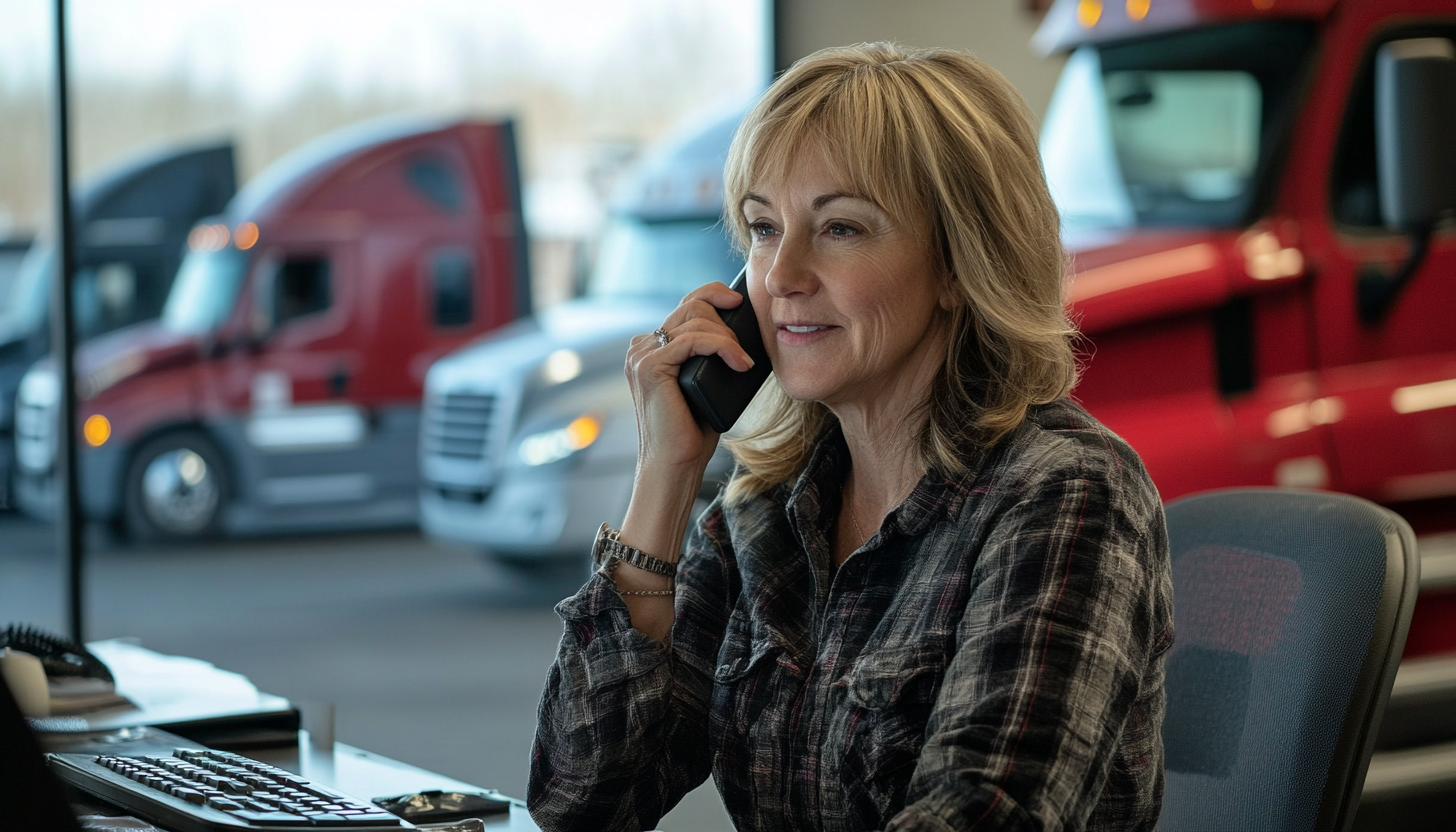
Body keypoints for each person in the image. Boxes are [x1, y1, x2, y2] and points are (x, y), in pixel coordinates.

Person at [528, 42, 1173, 832]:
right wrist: (663, 475)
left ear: (957, 265)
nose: (781, 275)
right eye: (764, 229)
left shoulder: (1067, 493)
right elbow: (578, 804)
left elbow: (982, 817)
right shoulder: (764, 512)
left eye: (839, 228)